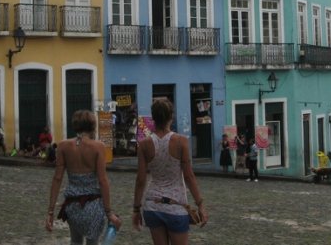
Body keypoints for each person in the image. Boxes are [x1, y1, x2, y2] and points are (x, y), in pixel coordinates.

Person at [132, 99, 208, 245]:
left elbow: (140, 180)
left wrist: (136, 209)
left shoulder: (144, 144)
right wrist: (200, 205)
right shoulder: (181, 142)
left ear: (153, 118)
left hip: (152, 205)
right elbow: (189, 176)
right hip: (176, 206)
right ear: (171, 117)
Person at [45, 110, 122, 244]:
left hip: (72, 205)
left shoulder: (63, 146)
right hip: (93, 206)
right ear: (92, 126)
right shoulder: (98, 147)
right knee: (93, 242)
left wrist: (50, 212)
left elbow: (57, 179)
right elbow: (103, 181)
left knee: (75, 241)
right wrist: (109, 212)